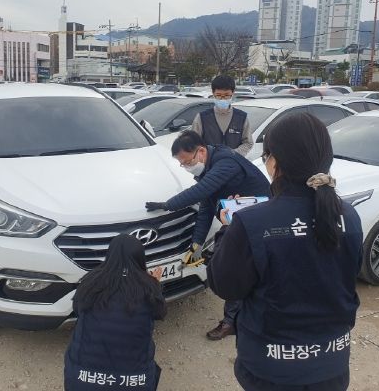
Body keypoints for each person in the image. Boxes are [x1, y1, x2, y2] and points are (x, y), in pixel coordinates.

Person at [207, 112, 364, 391]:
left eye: (265, 155)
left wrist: (227, 230)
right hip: (332, 365)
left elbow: (225, 285)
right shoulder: (348, 216)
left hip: (271, 369)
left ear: (274, 161)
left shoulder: (251, 223)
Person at [145, 130, 270, 341]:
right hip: (240, 217)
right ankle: (238, 318)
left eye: (187, 162)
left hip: (260, 219)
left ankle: (234, 321)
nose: (186, 167)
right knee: (240, 268)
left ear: (201, 151)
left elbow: (200, 191)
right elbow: (205, 207)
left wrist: (167, 205)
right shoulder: (209, 168)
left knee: (240, 268)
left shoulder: (226, 161)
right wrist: (197, 243)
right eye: (182, 165)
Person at [64, 234, 166, 391]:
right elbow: (160, 313)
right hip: (134, 383)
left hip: (81, 380)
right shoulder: (149, 288)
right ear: (140, 258)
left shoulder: (90, 282)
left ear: (110, 255)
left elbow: (78, 309)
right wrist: (155, 284)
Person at [191, 75, 253, 157]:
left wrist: (232, 154)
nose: (222, 99)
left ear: (233, 93)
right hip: (210, 163)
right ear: (213, 93)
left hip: (233, 162)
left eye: (227, 95)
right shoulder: (202, 117)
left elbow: (248, 142)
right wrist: (210, 155)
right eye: (219, 95)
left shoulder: (241, 117)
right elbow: (193, 143)